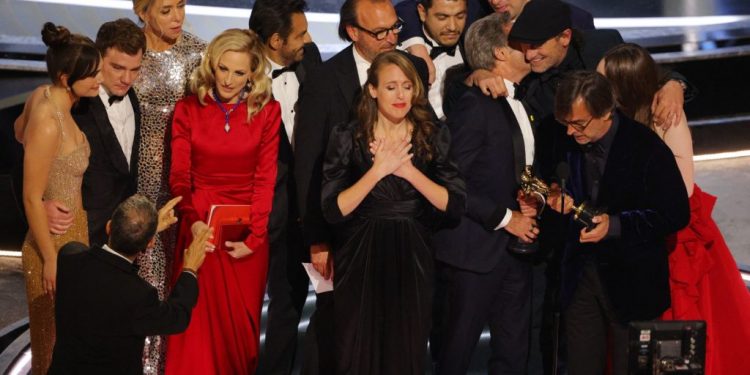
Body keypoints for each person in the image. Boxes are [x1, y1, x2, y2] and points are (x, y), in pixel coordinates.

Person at [598, 43, 750, 375]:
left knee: (677, 325)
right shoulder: (610, 122)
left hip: (673, 238)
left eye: (601, 81)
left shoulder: (667, 118)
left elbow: (682, 189)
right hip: (631, 235)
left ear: (623, 87)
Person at [293, 0, 428, 372]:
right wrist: (316, 239)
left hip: (401, 233)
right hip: (341, 231)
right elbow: (308, 164)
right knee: (337, 328)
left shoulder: (412, 70)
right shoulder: (323, 79)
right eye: (379, 32)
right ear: (353, 32)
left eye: (395, 27)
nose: (391, 38)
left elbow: (428, 143)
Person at [321, 50, 465, 375]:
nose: (401, 95)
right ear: (372, 89)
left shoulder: (433, 135)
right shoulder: (348, 136)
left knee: (407, 348)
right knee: (354, 348)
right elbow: (333, 209)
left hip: (414, 253)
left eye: (406, 86)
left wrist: (408, 172)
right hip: (359, 255)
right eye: (390, 87)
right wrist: (377, 171)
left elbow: (454, 205)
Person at [550, 71, 689, 375]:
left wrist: (614, 225)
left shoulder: (646, 148)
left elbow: (676, 213)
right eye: (566, 124)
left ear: (606, 112)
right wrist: (556, 196)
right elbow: (558, 181)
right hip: (580, 278)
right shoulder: (567, 141)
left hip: (633, 283)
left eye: (579, 124)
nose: (571, 133)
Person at [164, 28, 280, 375]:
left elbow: (265, 179)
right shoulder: (188, 109)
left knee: (240, 338)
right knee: (196, 333)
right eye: (223, 69)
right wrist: (194, 221)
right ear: (212, 65)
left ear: (253, 74)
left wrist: (256, 237)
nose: (228, 80)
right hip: (199, 229)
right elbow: (180, 178)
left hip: (246, 234)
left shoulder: (267, 111)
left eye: (239, 72)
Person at [431, 13, 537, 374]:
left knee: (513, 353)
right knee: (455, 355)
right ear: (500, 53)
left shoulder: (523, 100)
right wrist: (507, 219)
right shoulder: (475, 104)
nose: (531, 46)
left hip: (516, 252)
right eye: (521, 41)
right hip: (472, 251)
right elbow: (451, 179)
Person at [13, 22, 101, 375]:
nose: (99, 80)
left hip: (74, 234)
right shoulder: (51, 121)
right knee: (51, 349)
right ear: (67, 78)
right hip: (54, 244)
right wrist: (50, 258)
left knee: (69, 341)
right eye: (91, 75)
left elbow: (18, 131)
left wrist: (51, 189)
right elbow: (31, 197)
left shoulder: (40, 95)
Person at [48, 194, 210, 375]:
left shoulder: (69, 257)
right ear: (151, 243)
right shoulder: (140, 295)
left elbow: (88, 253)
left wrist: (147, 230)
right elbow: (177, 317)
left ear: (109, 226)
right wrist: (189, 269)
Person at [131, 1, 206, 370]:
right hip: (132, 185)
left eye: (180, 6)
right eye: (165, 10)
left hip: (179, 184)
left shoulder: (197, 53)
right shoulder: (128, 50)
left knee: (172, 278)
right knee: (141, 278)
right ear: (141, 11)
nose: (177, 17)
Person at [249, 1, 321, 373]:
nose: (308, 40)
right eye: (301, 34)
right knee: (247, 311)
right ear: (276, 40)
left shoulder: (312, 62)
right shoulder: (237, 74)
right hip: (257, 213)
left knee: (289, 307)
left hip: (305, 211)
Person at [396, 0, 467, 120]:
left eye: (460, 16)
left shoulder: (470, 46)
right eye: (442, 17)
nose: (453, 27)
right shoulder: (399, 56)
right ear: (422, 12)